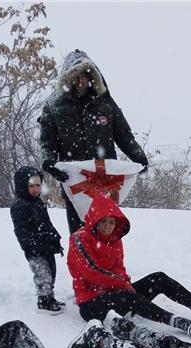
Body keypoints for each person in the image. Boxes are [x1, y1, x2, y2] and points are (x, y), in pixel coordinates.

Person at [67, 194, 191, 338]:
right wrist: (122, 284)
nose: (108, 226)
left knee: (158, 278)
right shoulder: (80, 238)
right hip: (92, 304)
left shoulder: (114, 239)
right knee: (128, 297)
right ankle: (175, 321)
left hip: (118, 295)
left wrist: (124, 283)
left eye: (111, 222)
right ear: (94, 219)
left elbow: (119, 269)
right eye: (103, 221)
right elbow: (90, 271)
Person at [38, 49, 149, 233]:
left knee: (106, 234)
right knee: (79, 235)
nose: (82, 80)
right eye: (77, 76)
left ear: (93, 77)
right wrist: (49, 163)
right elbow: (47, 142)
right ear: (69, 78)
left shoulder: (105, 103)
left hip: (105, 182)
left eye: (86, 76)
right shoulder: (53, 106)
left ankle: (108, 263)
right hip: (75, 183)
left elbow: (124, 135)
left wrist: (139, 158)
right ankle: (80, 262)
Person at [10, 166, 66, 313]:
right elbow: (20, 230)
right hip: (34, 248)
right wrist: (30, 245)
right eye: (31, 186)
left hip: (46, 245)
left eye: (37, 185)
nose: (35, 189)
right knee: (43, 274)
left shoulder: (39, 202)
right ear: (23, 186)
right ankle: (43, 301)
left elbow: (47, 224)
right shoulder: (19, 206)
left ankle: (50, 296)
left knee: (52, 271)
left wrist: (55, 238)